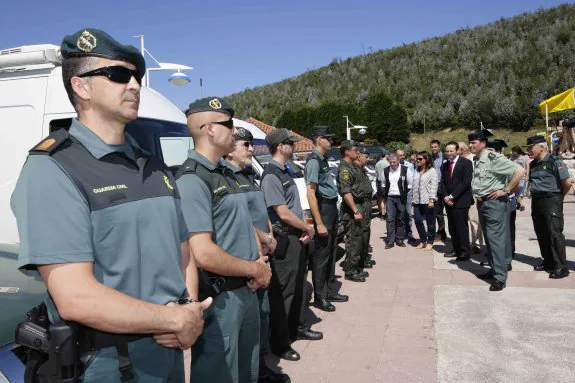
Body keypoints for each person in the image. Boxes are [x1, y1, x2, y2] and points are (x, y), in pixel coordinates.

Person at [10, 28, 209, 382]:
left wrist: (188, 312)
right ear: (81, 86)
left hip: (169, 348)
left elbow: (183, 253)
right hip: (107, 363)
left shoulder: (153, 165)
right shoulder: (53, 168)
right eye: (118, 75)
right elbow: (76, 297)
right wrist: (173, 319)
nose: (134, 85)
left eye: (137, 76)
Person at [176, 97, 272, 383]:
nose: (234, 131)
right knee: (221, 374)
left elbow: (244, 225)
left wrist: (258, 262)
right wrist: (255, 269)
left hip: (247, 289)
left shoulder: (226, 175)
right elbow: (202, 252)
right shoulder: (193, 179)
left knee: (247, 372)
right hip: (222, 299)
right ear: (210, 130)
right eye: (228, 124)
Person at [224, 127, 291, 383]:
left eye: (252, 144)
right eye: (246, 145)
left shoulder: (247, 175)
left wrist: (270, 234)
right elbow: (239, 220)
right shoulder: (227, 178)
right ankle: (253, 370)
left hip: (263, 253)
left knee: (262, 314)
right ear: (230, 149)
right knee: (252, 318)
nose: (252, 149)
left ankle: (259, 366)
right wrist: (265, 238)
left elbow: (261, 212)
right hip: (249, 259)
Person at [261, 128, 324, 364]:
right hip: (286, 239)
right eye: (289, 142)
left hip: (297, 237)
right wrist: (308, 228)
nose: (294, 145)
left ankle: (296, 327)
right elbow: (282, 213)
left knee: (297, 287)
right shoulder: (271, 175)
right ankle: (280, 343)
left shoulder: (285, 170)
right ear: (280, 146)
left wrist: (304, 230)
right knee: (284, 293)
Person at [469, 131, 524, 291]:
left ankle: (500, 277)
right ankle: (494, 270)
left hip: (494, 204)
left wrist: (506, 190)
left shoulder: (494, 158)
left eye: (475, 142)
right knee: (490, 239)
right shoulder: (478, 160)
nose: (472, 145)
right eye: (470, 142)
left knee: (496, 240)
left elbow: (519, 171)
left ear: (484, 143)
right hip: (482, 203)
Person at [305, 126, 345, 312]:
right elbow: (311, 193)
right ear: (319, 139)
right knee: (321, 256)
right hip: (323, 208)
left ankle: (329, 290)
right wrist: (319, 222)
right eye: (328, 138)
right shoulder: (313, 161)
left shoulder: (323, 159)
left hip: (331, 207)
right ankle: (320, 296)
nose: (331, 141)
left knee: (330, 253)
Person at [527, 136, 572, 279]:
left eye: (531, 147)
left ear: (542, 147)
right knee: (541, 232)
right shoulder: (533, 163)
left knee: (554, 233)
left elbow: (567, 183)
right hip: (537, 200)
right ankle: (548, 262)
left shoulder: (555, 161)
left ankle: (561, 267)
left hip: (552, 199)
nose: (529, 150)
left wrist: (558, 198)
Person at [337, 141, 371, 282]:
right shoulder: (345, 169)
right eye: (354, 150)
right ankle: (350, 271)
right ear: (347, 152)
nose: (357, 152)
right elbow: (346, 192)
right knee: (354, 240)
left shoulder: (352, 167)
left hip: (361, 204)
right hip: (354, 207)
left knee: (359, 239)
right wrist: (355, 210)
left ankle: (356, 267)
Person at [441, 142, 474, 261]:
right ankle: (456, 249)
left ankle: (465, 252)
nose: (449, 154)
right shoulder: (444, 165)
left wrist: (452, 196)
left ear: (457, 151)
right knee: (452, 226)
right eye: (447, 151)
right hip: (448, 201)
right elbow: (443, 183)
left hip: (461, 200)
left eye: (451, 151)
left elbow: (465, 183)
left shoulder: (466, 163)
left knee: (461, 227)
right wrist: (445, 196)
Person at [381, 154, 413, 248]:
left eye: (394, 162)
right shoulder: (385, 170)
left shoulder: (405, 170)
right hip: (390, 197)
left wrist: (404, 194)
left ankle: (400, 239)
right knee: (390, 219)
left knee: (401, 218)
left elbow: (410, 184)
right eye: (390, 162)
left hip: (401, 198)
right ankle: (390, 240)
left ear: (398, 161)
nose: (392, 164)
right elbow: (383, 183)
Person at [458, 142, 484, 254]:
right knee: (461, 220)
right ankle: (462, 243)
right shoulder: (457, 161)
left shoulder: (474, 159)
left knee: (474, 220)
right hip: (460, 194)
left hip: (473, 193)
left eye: (456, 149)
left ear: (462, 150)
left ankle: (475, 244)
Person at [410, 151, 438, 250]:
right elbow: (413, 185)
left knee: (430, 222)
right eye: (417, 158)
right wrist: (412, 197)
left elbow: (434, 186)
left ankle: (430, 241)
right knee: (417, 220)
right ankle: (423, 240)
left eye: (420, 159)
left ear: (426, 160)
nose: (417, 160)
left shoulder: (432, 171)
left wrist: (432, 199)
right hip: (417, 201)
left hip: (428, 201)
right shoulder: (416, 171)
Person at [355, 146, 376, 270]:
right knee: (360, 233)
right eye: (366, 157)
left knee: (366, 231)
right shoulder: (354, 169)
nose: (367, 160)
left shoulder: (361, 169)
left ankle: (364, 256)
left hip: (366, 204)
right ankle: (359, 260)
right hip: (361, 204)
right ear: (359, 156)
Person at [395, 148, 415, 242]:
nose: (402, 157)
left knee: (408, 214)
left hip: (407, 193)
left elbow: (413, 179)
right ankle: (398, 234)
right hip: (396, 194)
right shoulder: (392, 165)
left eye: (403, 155)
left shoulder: (409, 165)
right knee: (398, 214)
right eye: (400, 155)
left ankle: (409, 233)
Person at [430, 140, 448, 241]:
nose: (433, 149)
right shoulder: (430, 158)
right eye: (432, 147)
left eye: (435, 147)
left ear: (439, 147)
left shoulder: (445, 156)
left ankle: (452, 233)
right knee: (438, 212)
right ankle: (441, 232)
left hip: (445, 187)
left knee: (450, 211)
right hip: (435, 187)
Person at [511, 145, 530, 211]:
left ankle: (517, 203)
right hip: (514, 176)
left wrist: (527, 175)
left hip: (522, 177)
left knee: (521, 189)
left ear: (517, 151)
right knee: (514, 190)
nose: (512, 153)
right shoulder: (512, 157)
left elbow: (527, 166)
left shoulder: (525, 157)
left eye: (513, 151)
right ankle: (517, 203)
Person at [375, 153, 390, 219]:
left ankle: (380, 213)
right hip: (386, 183)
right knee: (385, 200)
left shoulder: (377, 163)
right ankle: (385, 214)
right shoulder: (388, 164)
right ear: (386, 156)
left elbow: (376, 173)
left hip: (379, 182)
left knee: (380, 199)